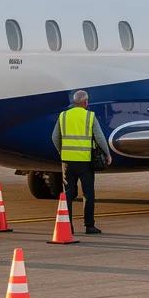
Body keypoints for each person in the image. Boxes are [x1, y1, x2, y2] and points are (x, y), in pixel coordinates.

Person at [51, 90, 111, 234]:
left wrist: (62, 150)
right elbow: (100, 138)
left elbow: (55, 137)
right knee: (88, 194)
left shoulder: (63, 116)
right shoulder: (89, 116)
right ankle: (89, 225)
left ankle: (68, 225)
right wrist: (107, 154)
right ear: (85, 102)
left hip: (67, 162)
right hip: (85, 162)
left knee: (68, 194)